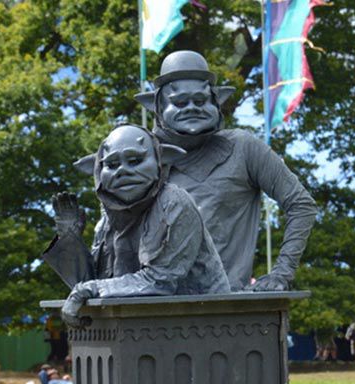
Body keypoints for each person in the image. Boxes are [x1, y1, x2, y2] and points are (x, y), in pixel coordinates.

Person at [134, 50, 317, 291]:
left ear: (216, 102)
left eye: (200, 101)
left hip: (226, 305)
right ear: (157, 106)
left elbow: (301, 204)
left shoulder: (243, 148)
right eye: (179, 102)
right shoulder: (141, 157)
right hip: (153, 304)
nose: (191, 108)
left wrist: (281, 273)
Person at [43, 124, 230, 327]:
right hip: (139, 327)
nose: (123, 171)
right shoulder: (109, 218)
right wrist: (70, 239)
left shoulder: (174, 202)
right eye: (112, 165)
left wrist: (89, 289)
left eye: (135, 160)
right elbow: (97, 282)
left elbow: (161, 280)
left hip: (199, 325)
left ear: (159, 162)